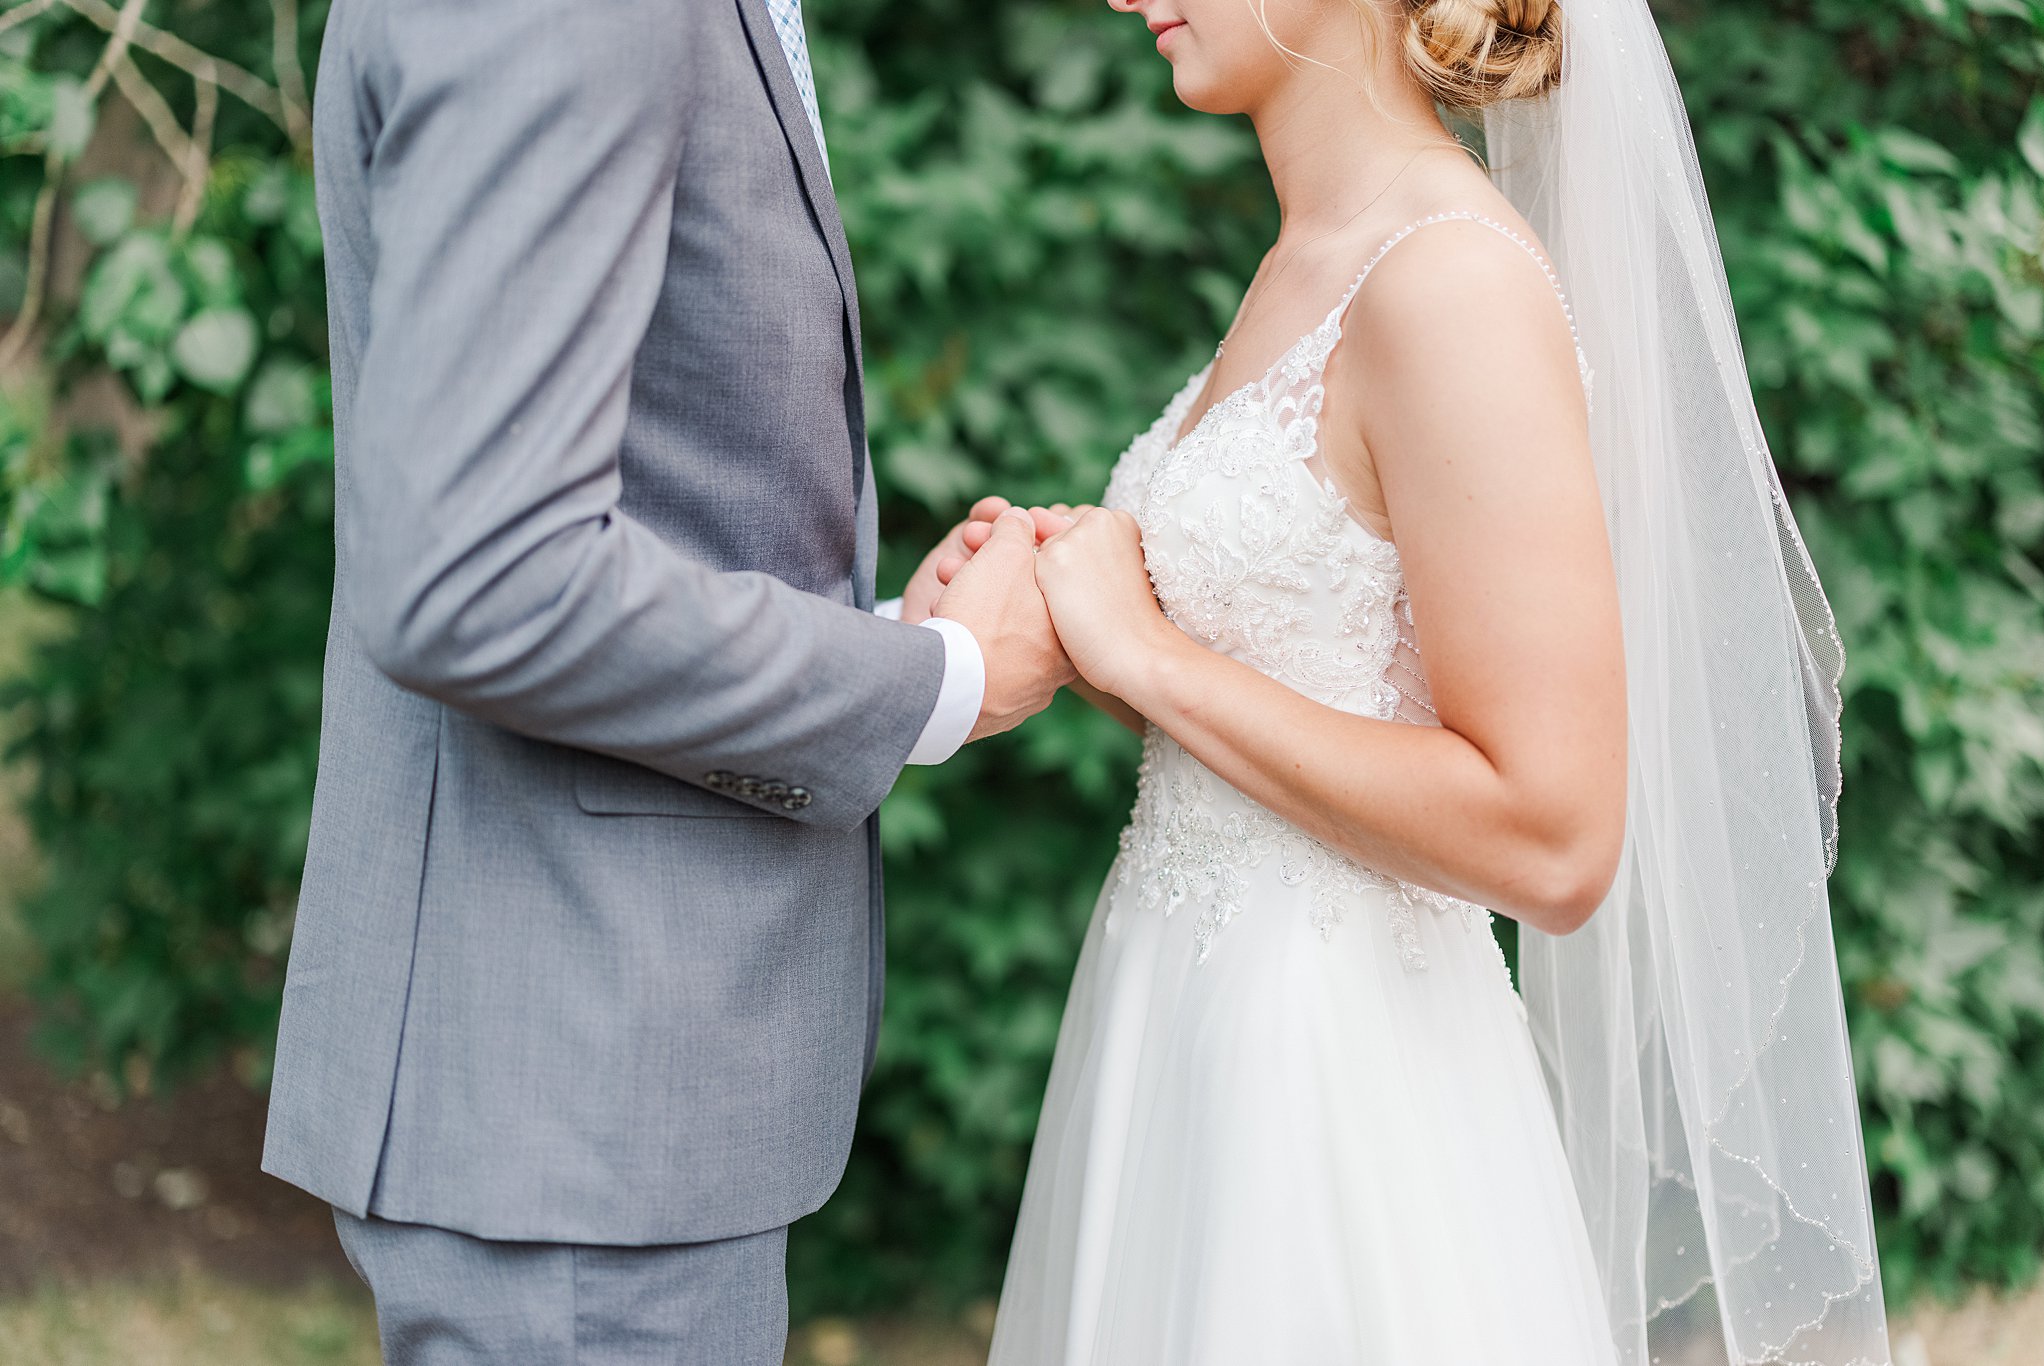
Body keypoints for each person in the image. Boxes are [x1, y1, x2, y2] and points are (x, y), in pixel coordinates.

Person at [961, 1, 1894, 1362]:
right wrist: (1053, 600)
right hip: (1188, 1033)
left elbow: (1552, 829)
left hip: (1336, 1091)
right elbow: (1300, 678)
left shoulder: (1449, 283)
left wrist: (1148, 653)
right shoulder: (1312, 256)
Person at [261, 2, 1066, 1362]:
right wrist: (930, 681)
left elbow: (621, 494)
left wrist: (876, 631)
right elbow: (483, 576)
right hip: (575, 1096)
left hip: (595, 1096)